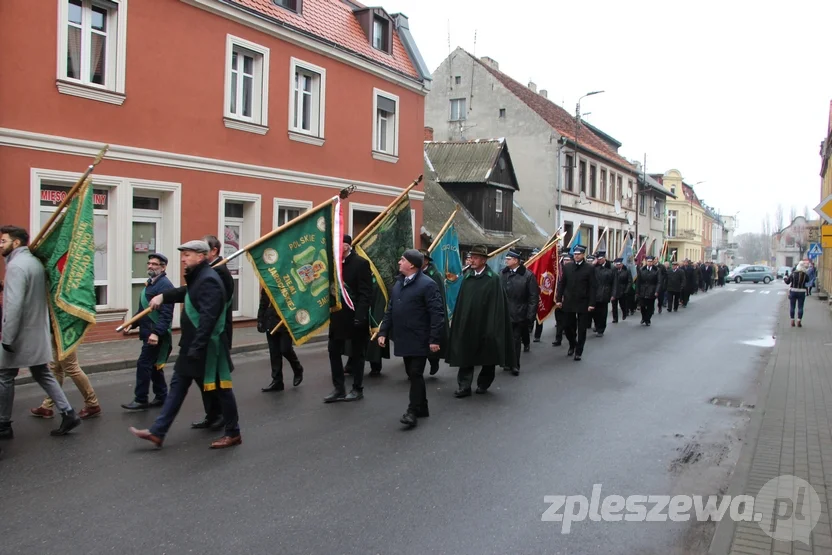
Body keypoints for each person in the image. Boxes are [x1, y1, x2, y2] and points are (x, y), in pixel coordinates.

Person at [130, 240, 241, 449]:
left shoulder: (209, 279)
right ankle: (157, 432)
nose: (183, 259)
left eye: (187, 255)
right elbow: (186, 292)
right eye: (183, 255)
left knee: (222, 390)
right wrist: (163, 296)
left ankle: (233, 432)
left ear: (201, 256)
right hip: (193, 346)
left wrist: (197, 348)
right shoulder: (200, 277)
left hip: (207, 348)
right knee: (178, 387)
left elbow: (208, 318)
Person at [0, 225, 81, 438]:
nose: (1, 244)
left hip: (20, 334)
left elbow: (14, 305)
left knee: (5, 375)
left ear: (16, 243)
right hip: (37, 330)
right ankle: (68, 412)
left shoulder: (17, 266)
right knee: (42, 372)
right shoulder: (35, 262)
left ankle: (3, 424)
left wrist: (8, 337)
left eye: (3, 240)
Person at [378, 250, 444, 428]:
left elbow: (437, 313)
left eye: (402, 260)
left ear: (412, 265)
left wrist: (434, 339)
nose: (399, 262)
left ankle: (412, 411)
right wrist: (383, 331)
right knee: (412, 373)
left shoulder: (427, 284)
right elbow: (390, 309)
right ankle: (422, 406)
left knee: (415, 373)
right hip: (403, 337)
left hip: (420, 338)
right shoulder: (399, 283)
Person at [446, 245, 514, 396]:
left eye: (475, 258)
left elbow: (497, 305)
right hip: (469, 324)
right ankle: (464, 385)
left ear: (483, 260)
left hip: (486, 325)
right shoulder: (468, 278)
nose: (472, 260)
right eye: (471, 257)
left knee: (488, 355)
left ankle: (483, 383)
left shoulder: (493, 279)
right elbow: (462, 303)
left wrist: (492, 327)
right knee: (466, 354)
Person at [120, 253, 173, 411]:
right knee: (155, 366)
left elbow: (166, 314)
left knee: (143, 364)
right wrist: (132, 323)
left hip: (155, 334)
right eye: (149, 263)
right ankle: (162, 396)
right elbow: (143, 310)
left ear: (163, 267)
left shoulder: (165, 286)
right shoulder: (151, 283)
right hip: (148, 332)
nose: (150, 266)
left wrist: (156, 333)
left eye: (155, 264)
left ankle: (141, 399)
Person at [324, 235, 373, 403]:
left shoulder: (361, 263)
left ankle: (357, 388)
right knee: (333, 351)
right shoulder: (334, 265)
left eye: (339, 244)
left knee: (357, 354)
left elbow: (365, 293)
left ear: (346, 246)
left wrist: (360, 316)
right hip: (338, 316)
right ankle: (338, 388)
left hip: (355, 317)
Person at [500, 250, 538, 376]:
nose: (506, 261)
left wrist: (530, 316)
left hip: (519, 313)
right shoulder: (503, 274)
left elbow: (533, 297)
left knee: (516, 339)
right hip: (504, 312)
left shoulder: (528, 276)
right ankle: (506, 361)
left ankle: (515, 364)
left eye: (509, 259)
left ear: (516, 260)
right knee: (506, 338)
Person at [258, 289, 304, 392]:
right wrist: (260, 320)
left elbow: (298, 301)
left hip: (285, 323)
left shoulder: (288, 283)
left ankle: (298, 369)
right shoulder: (268, 283)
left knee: (285, 349)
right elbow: (263, 303)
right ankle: (277, 381)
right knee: (274, 353)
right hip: (270, 322)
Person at [555, 245, 596, 361]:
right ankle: (573, 343)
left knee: (582, 329)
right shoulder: (567, 267)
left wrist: (592, 303)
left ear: (583, 255)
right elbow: (562, 284)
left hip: (583, 302)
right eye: (575, 254)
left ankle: (579, 351)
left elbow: (593, 287)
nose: (576, 256)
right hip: (569, 301)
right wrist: (558, 299)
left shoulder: (589, 268)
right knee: (567, 326)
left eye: (579, 254)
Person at [418, 249, 448, 375]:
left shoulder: (434, 275)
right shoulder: (414, 273)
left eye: (421, 259)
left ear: (426, 261)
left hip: (430, 312)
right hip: (418, 313)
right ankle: (416, 370)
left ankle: (433, 362)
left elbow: (439, 296)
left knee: (431, 341)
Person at [552, 255, 573, 345]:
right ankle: (558, 338)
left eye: (568, 260)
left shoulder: (573, 271)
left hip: (570, 300)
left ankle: (572, 342)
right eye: (564, 260)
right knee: (559, 320)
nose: (566, 261)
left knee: (568, 323)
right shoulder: (558, 271)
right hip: (559, 299)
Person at [592, 251, 614, 337]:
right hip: (595, 292)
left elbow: (614, 282)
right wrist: (593, 264)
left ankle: (601, 329)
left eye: (601, 259)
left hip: (605, 292)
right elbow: (587, 271)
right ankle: (597, 325)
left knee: (603, 312)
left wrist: (613, 294)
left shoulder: (611, 267)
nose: (599, 260)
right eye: (598, 259)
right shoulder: (594, 267)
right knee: (594, 312)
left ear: (604, 258)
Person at [637, 256, 662, 326]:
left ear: (653, 262)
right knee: (642, 306)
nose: (649, 263)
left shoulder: (657, 270)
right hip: (642, 290)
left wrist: (657, 291)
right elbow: (638, 281)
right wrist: (637, 291)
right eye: (648, 261)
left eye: (651, 261)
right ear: (646, 262)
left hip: (652, 290)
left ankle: (648, 319)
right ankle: (643, 317)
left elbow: (659, 282)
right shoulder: (642, 269)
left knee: (650, 306)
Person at [785, 261, 810, 327]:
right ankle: (799, 321)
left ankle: (792, 320)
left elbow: (787, 282)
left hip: (793, 292)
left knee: (792, 307)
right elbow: (808, 280)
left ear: (798, 266)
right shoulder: (805, 275)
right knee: (800, 307)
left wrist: (785, 277)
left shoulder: (793, 274)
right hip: (802, 292)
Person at [610, 257, 632, 323]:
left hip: (623, 290)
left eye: (619, 264)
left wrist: (626, 290)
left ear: (622, 264)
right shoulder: (613, 270)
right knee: (614, 305)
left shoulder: (626, 270)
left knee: (622, 304)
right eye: (616, 264)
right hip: (614, 290)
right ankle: (615, 318)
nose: (618, 265)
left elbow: (629, 281)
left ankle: (624, 313)